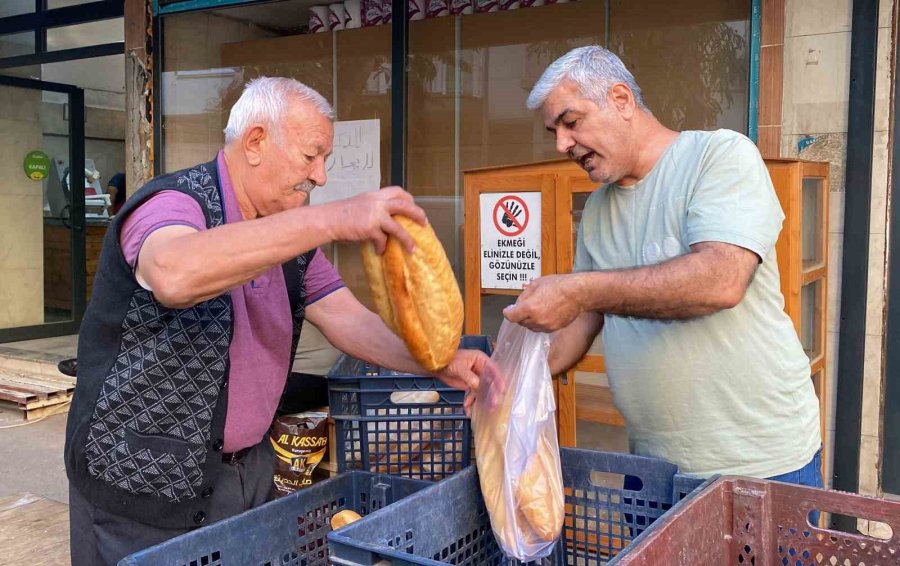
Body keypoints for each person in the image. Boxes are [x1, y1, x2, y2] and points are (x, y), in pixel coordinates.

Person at [64, 76, 491, 565]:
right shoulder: (174, 203)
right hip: (138, 485)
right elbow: (174, 273)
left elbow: (349, 321)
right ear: (256, 142)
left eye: (325, 160)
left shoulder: (289, 240)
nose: (321, 176)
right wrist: (335, 219)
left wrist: (438, 363)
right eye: (312, 156)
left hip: (242, 478)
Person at [505, 46, 822, 488]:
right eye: (554, 131)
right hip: (651, 468)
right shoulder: (598, 209)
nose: (562, 144)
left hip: (759, 464)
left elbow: (721, 279)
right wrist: (507, 381)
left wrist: (578, 289)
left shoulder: (719, 156)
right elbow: (582, 323)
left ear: (621, 100)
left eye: (571, 122)